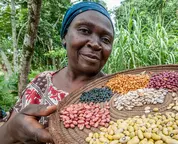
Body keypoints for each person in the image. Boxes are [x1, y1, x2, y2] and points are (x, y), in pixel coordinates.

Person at [0, 1, 114, 143]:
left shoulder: (117, 92)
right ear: (65, 36)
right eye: (84, 30)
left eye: (105, 39)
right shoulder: (42, 82)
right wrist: (12, 130)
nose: (96, 43)